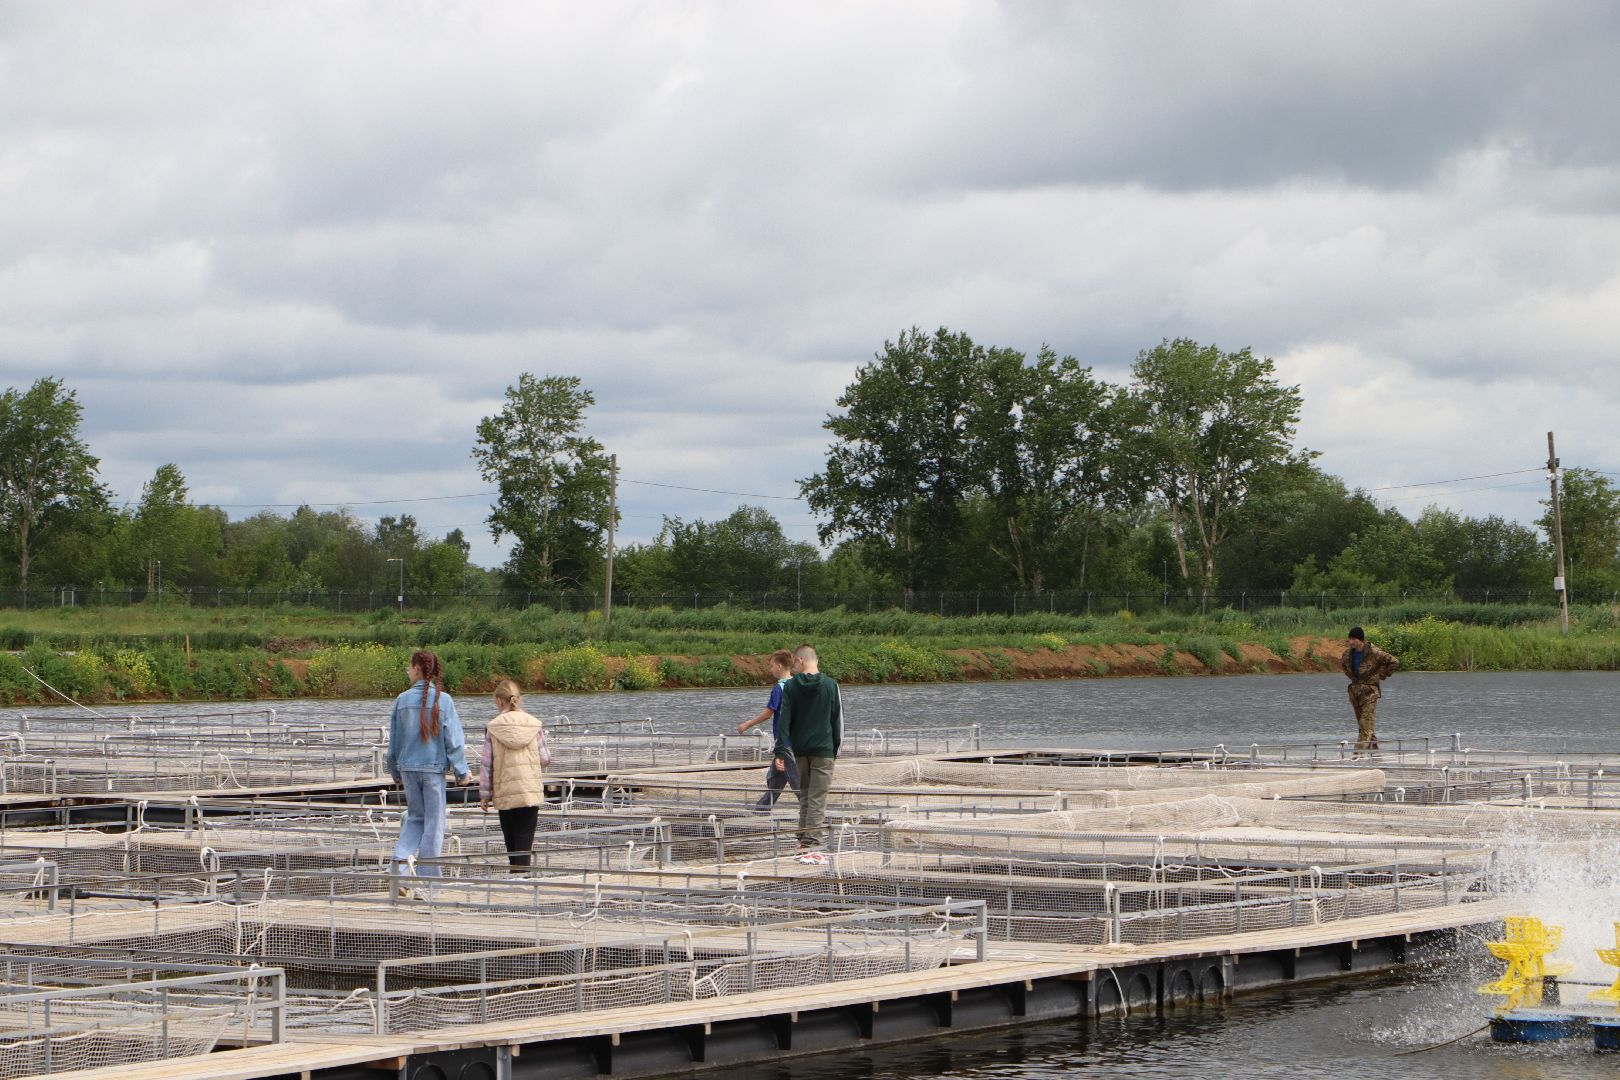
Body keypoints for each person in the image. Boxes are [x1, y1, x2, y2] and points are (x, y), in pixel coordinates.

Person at [385, 650, 470, 886]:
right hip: (433, 770)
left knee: (414, 817)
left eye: (408, 667)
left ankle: (399, 869)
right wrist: (462, 771)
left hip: (407, 769)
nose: (407, 671)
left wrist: (394, 771)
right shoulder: (444, 700)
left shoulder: (402, 700)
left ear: (416, 669)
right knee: (434, 823)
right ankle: (428, 881)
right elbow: (453, 740)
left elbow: (394, 742)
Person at [773, 643, 841, 862]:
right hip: (824, 749)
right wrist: (835, 748)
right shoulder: (831, 685)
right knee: (817, 797)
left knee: (805, 795)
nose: (794, 666)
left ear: (801, 660)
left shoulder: (791, 686)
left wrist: (780, 750)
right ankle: (813, 845)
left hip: (800, 750)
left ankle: (803, 840)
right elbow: (837, 720)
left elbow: (784, 720)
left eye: (795, 662)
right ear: (813, 660)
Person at [479, 679, 546, 870]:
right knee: (525, 837)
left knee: (510, 838)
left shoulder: (493, 727)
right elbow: (545, 758)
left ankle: (515, 873)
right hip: (529, 790)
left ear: (499, 701)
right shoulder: (534, 724)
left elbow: (487, 764)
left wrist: (485, 795)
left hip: (505, 790)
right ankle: (523, 875)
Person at [737, 650, 799, 811]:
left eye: (771, 666)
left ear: (779, 666)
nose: (770, 669)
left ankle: (811, 810)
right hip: (797, 739)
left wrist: (747, 724)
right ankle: (762, 808)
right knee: (775, 777)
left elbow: (768, 713)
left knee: (796, 780)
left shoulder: (779, 688)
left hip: (786, 742)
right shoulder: (799, 685)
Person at [1341, 627, 1399, 752]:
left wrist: (1380, 675)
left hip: (1370, 693)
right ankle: (1375, 753)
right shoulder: (1347, 654)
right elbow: (1345, 667)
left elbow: (1394, 662)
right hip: (1355, 693)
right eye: (1349, 639)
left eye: (1353, 639)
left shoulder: (1375, 652)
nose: (1350, 641)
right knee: (1363, 725)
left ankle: (1358, 755)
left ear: (1361, 640)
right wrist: (1354, 678)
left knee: (1365, 724)